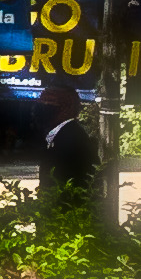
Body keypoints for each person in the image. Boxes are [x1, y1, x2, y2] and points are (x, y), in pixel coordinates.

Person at [38, 84, 99, 214]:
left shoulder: (72, 138)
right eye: (42, 102)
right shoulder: (58, 134)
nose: (43, 106)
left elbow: (76, 181)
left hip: (65, 215)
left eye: (49, 103)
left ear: (67, 108)